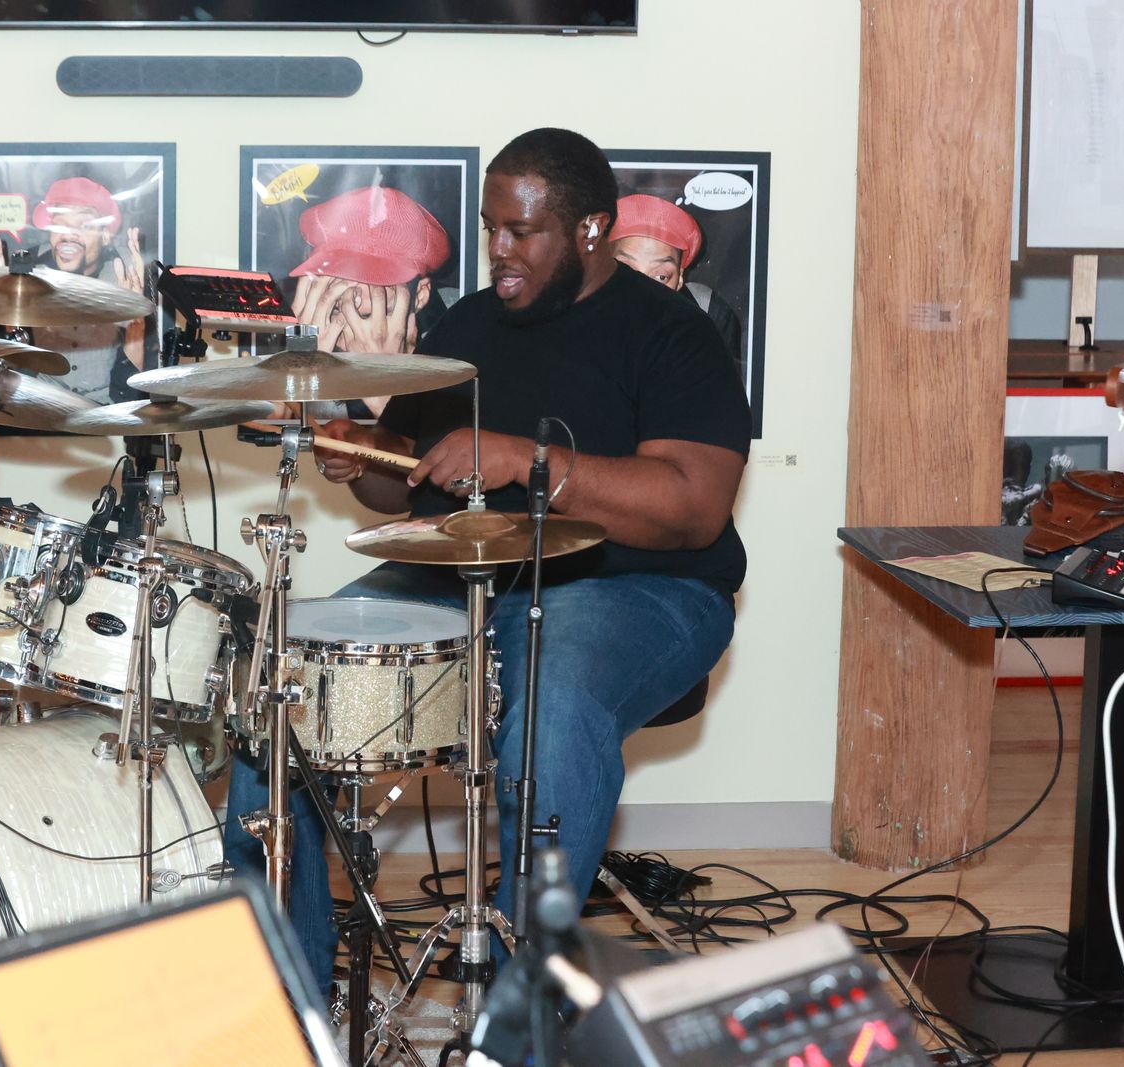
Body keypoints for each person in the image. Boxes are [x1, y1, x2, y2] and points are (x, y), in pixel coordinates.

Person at [223, 127, 750, 998]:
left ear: (590, 229)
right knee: (281, 690)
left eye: (521, 231)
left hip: (641, 587)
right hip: (464, 576)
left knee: (553, 711)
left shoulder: (672, 334)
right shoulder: (469, 324)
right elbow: (404, 485)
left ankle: (517, 1021)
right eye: (490, 228)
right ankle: (293, 1003)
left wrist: (526, 459)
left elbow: (694, 507)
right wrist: (362, 457)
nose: (498, 249)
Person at [284, 183, 452, 419]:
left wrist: (383, 390)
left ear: (420, 295)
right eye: (336, 310)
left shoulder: (459, 350)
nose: (355, 334)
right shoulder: (311, 338)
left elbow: (448, 441)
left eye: (369, 315)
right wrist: (294, 372)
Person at [0, 176, 149, 402]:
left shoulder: (125, 277)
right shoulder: (29, 271)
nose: (68, 234)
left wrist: (136, 323)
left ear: (105, 236)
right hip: (41, 405)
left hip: (104, 408)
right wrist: (5, 309)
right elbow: (11, 371)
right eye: (59, 224)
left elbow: (131, 392)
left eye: (84, 225)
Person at [608, 192, 745, 374]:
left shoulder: (708, 314)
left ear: (679, 279)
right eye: (626, 270)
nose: (642, 291)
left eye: (660, 277)